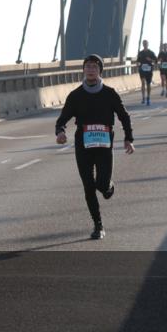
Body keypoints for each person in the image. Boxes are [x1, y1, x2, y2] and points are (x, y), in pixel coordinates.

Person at [55, 55, 135, 240]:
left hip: (104, 145)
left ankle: (108, 187)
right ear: (83, 70)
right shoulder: (75, 95)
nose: (91, 70)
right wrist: (60, 132)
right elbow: (62, 119)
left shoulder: (110, 93)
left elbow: (124, 116)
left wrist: (128, 138)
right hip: (83, 145)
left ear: (100, 71)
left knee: (102, 185)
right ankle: (98, 225)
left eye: (94, 67)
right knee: (88, 186)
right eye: (88, 66)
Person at [136, 40, 157, 105]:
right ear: (143, 44)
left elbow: (156, 61)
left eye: (146, 43)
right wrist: (137, 64)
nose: (145, 44)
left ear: (148, 44)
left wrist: (150, 60)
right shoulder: (140, 53)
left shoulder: (151, 53)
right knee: (143, 82)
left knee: (148, 84)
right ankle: (143, 97)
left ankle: (148, 97)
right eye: (144, 43)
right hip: (142, 70)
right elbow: (138, 61)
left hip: (149, 70)